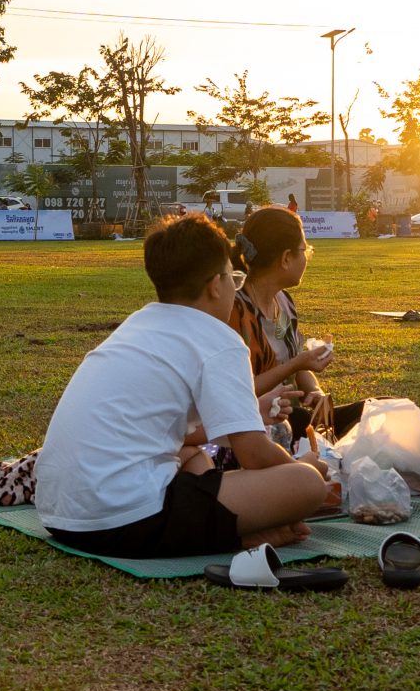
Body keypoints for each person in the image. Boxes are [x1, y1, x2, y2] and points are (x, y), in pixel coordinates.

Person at [34, 213, 334, 558]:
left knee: (191, 452)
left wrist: (250, 416)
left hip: (61, 515)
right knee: (307, 485)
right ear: (216, 285)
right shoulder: (219, 339)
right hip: (124, 519)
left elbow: (173, 434)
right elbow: (253, 454)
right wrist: (305, 465)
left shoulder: (139, 325)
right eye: (233, 279)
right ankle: (233, 532)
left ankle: (230, 531)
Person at [229, 207, 360, 441]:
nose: (307, 256)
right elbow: (236, 391)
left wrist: (315, 392)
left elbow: (299, 361)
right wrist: (295, 364)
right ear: (286, 258)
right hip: (259, 426)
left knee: (381, 409)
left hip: (293, 418)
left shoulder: (283, 301)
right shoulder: (235, 311)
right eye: (305, 250)